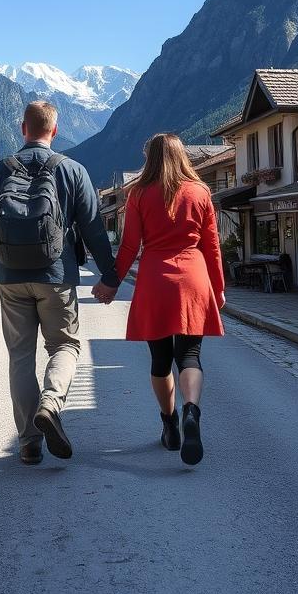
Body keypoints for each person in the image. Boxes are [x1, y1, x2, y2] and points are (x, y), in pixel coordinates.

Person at [0, 101, 119, 465]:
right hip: (56, 277)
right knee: (64, 347)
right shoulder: (72, 171)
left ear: (23, 128)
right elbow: (94, 231)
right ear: (55, 130)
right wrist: (110, 276)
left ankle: (28, 443)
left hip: (9, 278)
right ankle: (51, 404)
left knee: (20, 357)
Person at [93, 133, 225, 465]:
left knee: (160, 359)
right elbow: (211, 246)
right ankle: (191, 410)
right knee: (190, 355)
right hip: (193, 279)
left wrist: (111, 281)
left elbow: (129, 246)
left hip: (154, 280)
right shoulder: (200, 192)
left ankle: (169, 426)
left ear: (149, 158)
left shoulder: (138, 193)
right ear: (183, 156)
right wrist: (218, 288)